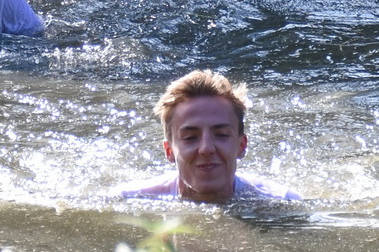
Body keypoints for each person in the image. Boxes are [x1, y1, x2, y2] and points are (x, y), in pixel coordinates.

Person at [120, 70, 300, 202]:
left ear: (241, 145)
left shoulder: (282, 202)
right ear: (169, 151)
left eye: (221, 135)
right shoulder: (132, 200)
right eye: (190, 137)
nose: (206, 148)